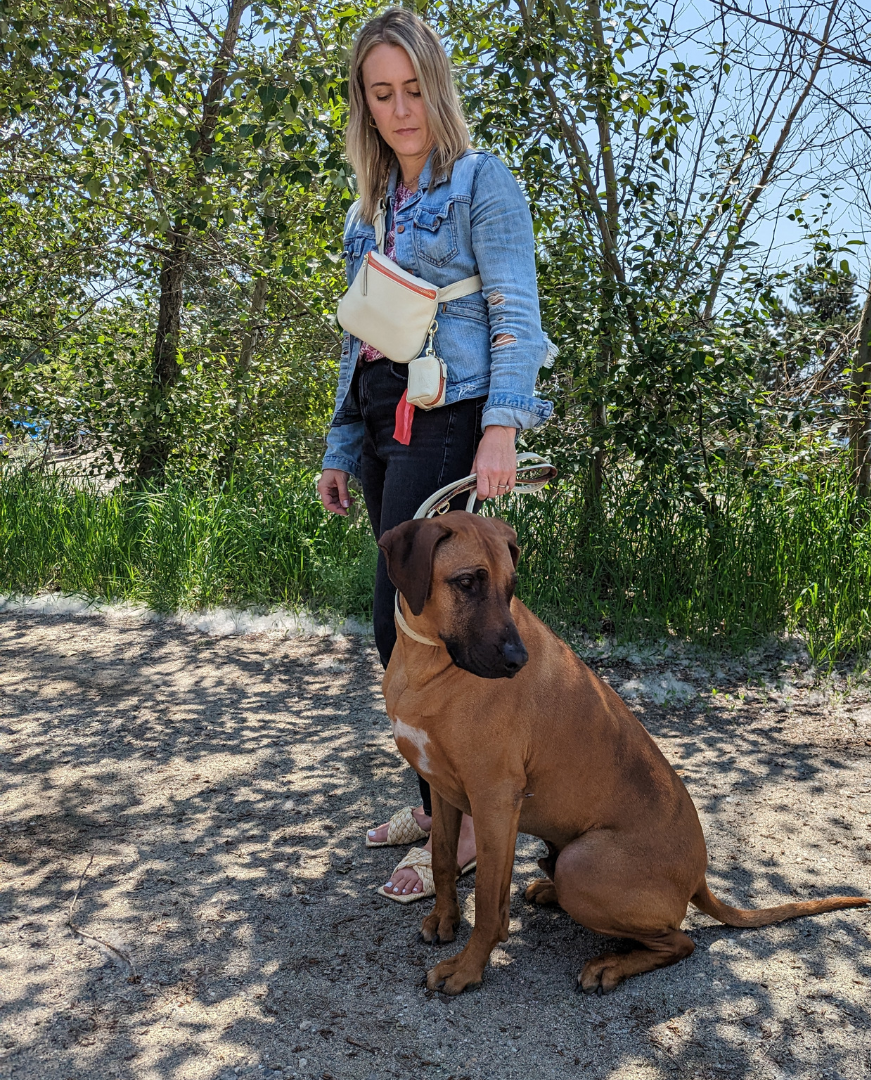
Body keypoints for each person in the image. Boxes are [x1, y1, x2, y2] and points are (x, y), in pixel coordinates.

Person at [316, 8, 552, 902]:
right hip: (381, 418)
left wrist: (504, 425)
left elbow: (513, 311)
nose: (401, 108)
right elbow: (359, 341)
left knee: (409, 621)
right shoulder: (367, 211)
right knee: (401, 629)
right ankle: (435, 802)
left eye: (414, 88)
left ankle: (455, 829)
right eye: (382, 93)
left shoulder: (481, 182)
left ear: (436, 88)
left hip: (447, 413)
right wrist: (341, 445)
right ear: (365, 105)